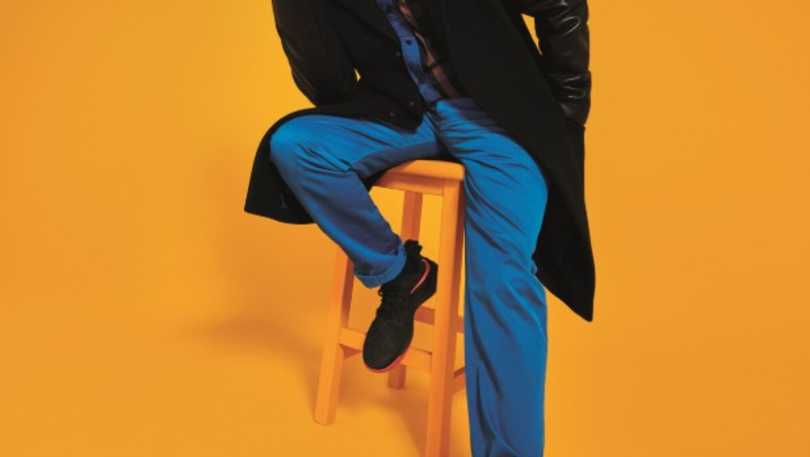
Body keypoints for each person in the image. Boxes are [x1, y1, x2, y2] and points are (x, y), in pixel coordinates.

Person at [243, 0, 594, 455]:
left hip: (494, 116)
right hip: (403, 117)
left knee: (503, 280)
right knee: (297, 146)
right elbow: (330, 88)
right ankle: (401, 274)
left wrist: (568, 108)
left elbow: (560, 4)